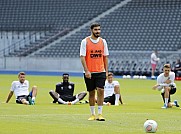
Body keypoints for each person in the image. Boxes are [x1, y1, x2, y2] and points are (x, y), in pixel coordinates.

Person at [80, 22, 109, 121]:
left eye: (99, 29)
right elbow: (82, 57)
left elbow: (105, 57)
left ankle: (100, 114)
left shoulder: (103, 42)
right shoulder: (85, 42)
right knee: (91, 92)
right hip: (89, 72)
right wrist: (86, 70)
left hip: (100, 71)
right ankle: (92, 114)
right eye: (96, 30)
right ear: (91, 30)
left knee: (101, 91)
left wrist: (106, 71)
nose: (98, 31)